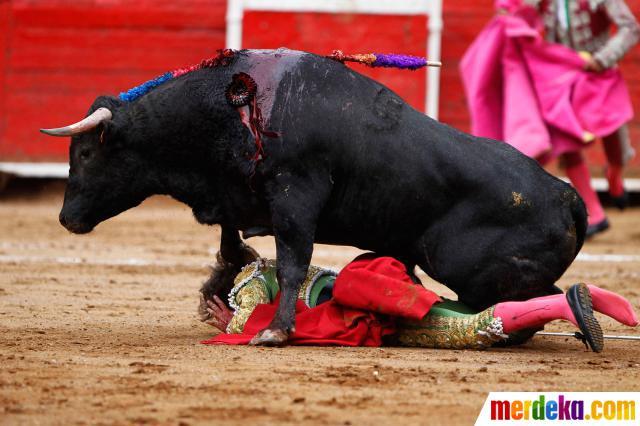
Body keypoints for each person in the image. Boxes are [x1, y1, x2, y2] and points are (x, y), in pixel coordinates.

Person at [199, 254, 638, 352]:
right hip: (378, 286)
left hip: (367, 311)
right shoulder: (279, 262)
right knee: (463, 313)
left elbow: (258, 324)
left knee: (473, 329)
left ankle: (565, 304)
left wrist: (234, 323)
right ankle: (572, 301)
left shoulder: (247, 281)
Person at [461, 0, 639, 237]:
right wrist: (508, 12)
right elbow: (519, 9)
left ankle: (614, 175)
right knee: (562, 134)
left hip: (600, 69)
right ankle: (595, 213)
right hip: (561, 72)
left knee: (612, 131)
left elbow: (630, 27)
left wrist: (602, 58)